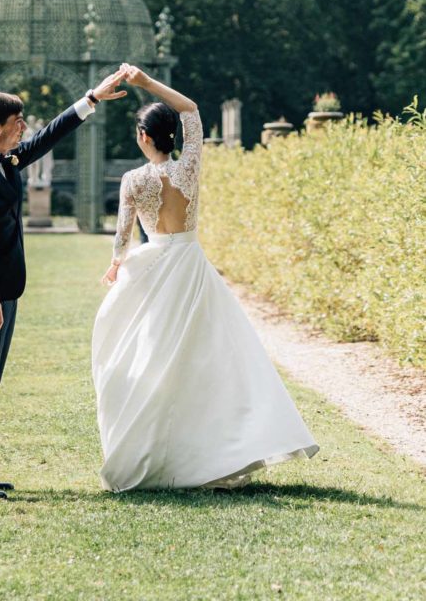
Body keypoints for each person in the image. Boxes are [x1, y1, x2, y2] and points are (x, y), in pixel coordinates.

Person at [92, 63, 319, 492]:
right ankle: (216, 450)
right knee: (208, 360)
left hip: (155, 268)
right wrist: (146, 82)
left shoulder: (133, 180)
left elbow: (122, 238)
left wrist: (116, 263)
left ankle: (154, 448)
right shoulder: (190, 165)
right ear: (171, 136)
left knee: (150, 358)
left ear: (143, 137)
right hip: (193, 267)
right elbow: (191, 109)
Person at [0, 68, 127, 499]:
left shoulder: (5, 159)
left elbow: (48, 136)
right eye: (17, 122)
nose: (24, 127)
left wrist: (92, 98)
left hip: (6, 290)